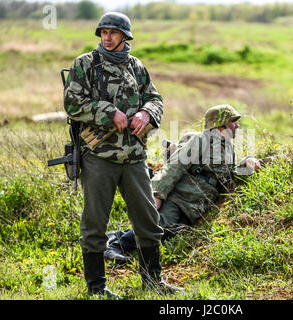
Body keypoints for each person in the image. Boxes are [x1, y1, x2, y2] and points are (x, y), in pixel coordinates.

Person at [63, 12, 181, 297]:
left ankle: (153, 282)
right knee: (95, 224)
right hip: (98, 157)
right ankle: (97, 289)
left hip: (133, 157)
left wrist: (146, 113)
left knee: (148, 221)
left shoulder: (137, 67)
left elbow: (155, 98)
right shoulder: (86, 64)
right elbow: (71, 102)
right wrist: (108, 113)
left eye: (113, 33)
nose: (107, 36)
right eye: (103, 32)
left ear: (125, 37)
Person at [104, 104, 262, 262]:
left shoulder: (227, 148)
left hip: (193, 206)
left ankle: (116, 235)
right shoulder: (200, 140)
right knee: (161, 226)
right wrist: (157, 195)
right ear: (220, 125)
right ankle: (118, 246)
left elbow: (229, 178)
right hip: (178, 199)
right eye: (233, 121)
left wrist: (247, 163)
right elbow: (174, 166)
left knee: (171, 232)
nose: (237, 125)